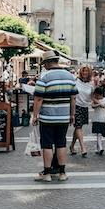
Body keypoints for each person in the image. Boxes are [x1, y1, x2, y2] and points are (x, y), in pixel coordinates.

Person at [32, 51, 77, 182]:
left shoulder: (44, 77)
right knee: (61, 143)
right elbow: (73, 98)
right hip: (63, 117)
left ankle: (46, 173)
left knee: (47, 145)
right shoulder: (69, 76)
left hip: (47, 117)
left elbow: (39, 99)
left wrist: (35, 115)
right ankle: (62, 173)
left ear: (46, 63)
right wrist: (72, 114)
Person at [69, 66, 93, 157]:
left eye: (86, 71)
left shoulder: (91, 84)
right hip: (76, 106)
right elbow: (72, 95)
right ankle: (83, 147)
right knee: (78, 126)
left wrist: (100, 102)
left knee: (78, 127)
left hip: (84, 107)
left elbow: (92, 96)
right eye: (83, 71)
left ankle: (71, 146)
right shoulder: (75, 81)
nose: (85, 73)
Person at [91, 86, 105, 155]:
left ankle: (100, 148)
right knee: (98, 134)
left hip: (102, 119)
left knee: (99, 134)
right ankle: (98, 148)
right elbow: (92, 106)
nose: (96, 96)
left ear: (101, 94)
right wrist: (99, 104)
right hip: (96, 119)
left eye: (96, 95)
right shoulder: (95, 101)